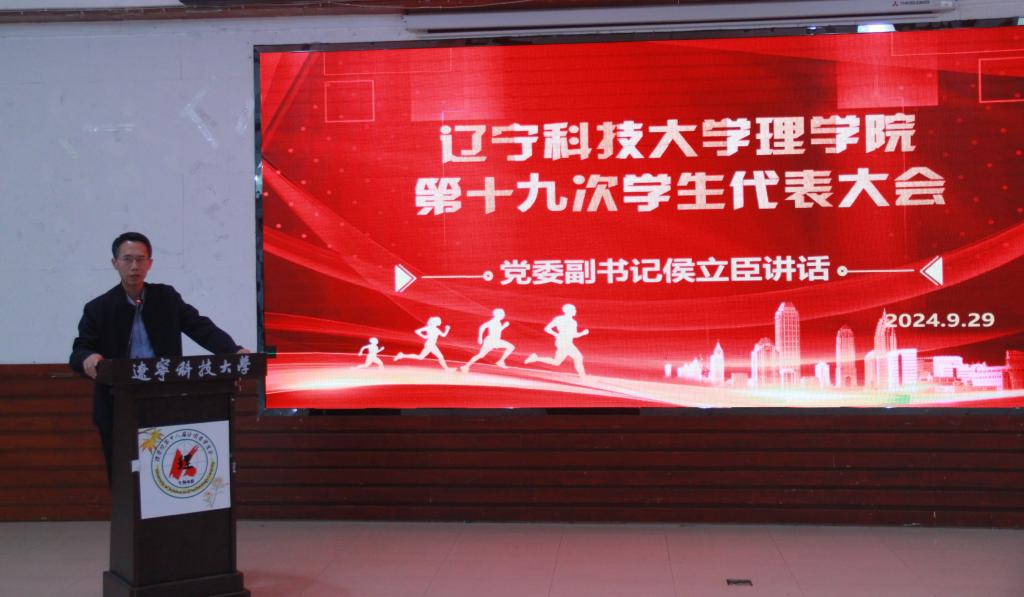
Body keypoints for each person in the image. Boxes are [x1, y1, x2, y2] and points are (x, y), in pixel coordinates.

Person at [69, 232, 248, 485]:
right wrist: (89, 356)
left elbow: (200, 328)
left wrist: (233, 350)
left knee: (165, 475)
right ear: (115, 263)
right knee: (125, 480)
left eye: (140, 259)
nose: (134, 266)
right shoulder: (98, 308)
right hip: (118, 405)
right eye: (127, 259)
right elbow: (80, 349)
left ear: (150, 263)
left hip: (164, 399)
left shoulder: (166, 298)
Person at [525, 303, 589, 377]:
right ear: (568, 311)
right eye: (573, 309)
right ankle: (583, 377)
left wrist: (582, 333)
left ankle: (535, 358)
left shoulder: (573, 322)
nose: (575, 311)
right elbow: (547, 328)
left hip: (567, 342)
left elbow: (573, 335)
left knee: (556, 362)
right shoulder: (561, 319)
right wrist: (556, 334)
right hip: (563, 342)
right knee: (578, 357)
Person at [460, 308, 515, 372]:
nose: (504, 315)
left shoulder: (496, 321)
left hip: (493, 340)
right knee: (511, 347)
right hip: (492, 340)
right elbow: (483, 327)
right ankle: (500, 361)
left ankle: (466, 366)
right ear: (498, 315)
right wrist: (480, 337)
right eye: (503, 314)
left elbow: (496, 331)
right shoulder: (494, 321)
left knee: (481, 355)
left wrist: (503, 327)